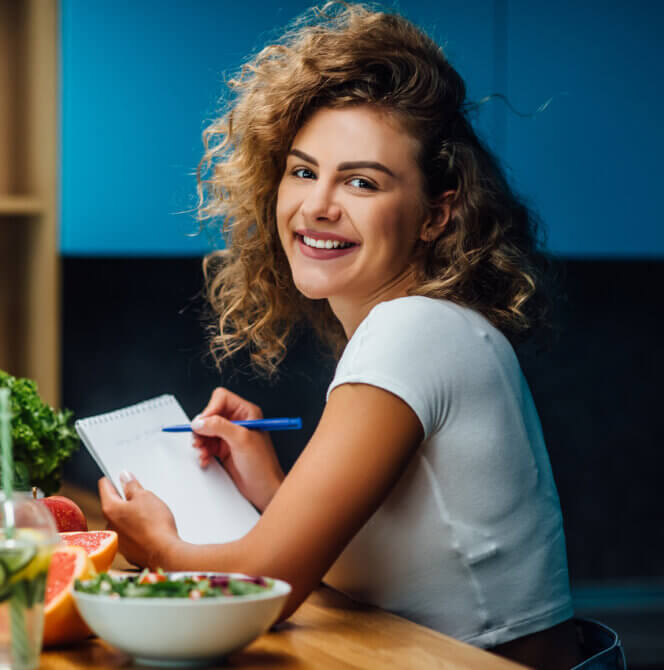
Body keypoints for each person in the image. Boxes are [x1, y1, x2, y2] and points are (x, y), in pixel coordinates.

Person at [97, 3, 594, 668]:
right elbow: (387, 566)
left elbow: (263, 588)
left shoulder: (411, 329)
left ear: (435, 214)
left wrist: (154, 544)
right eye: (303, 171)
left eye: (361, 181)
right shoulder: (432, 325)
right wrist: (272, 491)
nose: (318, 205)